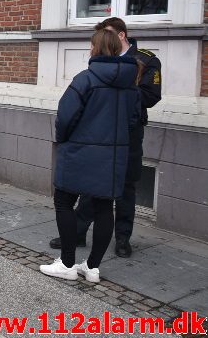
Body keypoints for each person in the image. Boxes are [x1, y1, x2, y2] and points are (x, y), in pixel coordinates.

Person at [49, 17, 162, 258]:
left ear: (121, 35)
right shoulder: (93, 72)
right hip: (98, 133)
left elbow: (151, 95)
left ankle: (122, 237)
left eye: (107, 35)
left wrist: (118, 101)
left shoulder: (145, 59)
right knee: (93, 186)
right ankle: (78, 232)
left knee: (125, 186)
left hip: (127, 135)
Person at [40, 29, 140, 283]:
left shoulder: (86, 79)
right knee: (104, 207)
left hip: (80, 152)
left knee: (63, 202)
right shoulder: (131, 84)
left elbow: (65, 116)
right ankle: (92, 268)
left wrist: (64, 140)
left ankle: (67, 262)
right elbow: (134, 120)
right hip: (112, 156)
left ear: (95, 49)